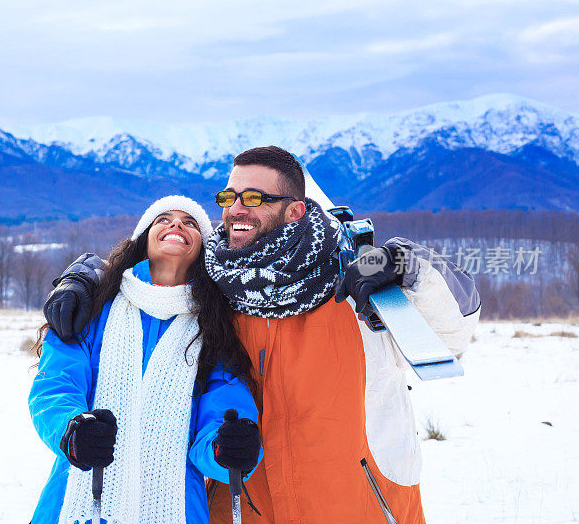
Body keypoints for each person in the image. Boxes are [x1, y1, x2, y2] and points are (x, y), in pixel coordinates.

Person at [45, 148, 481, 524]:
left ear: (296, 210)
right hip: (247, 510)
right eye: (228, 197)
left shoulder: (354, 282)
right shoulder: (215, 294)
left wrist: (411, 266)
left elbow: (453, 333)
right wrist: (83, 276)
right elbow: (149, 276)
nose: (236, 208)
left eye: (253, 197)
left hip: (358, 505)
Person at [28, 195, 263, 524]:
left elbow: (223, 409)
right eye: (162, 219)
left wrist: (227, 447)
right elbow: (55, 384)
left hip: (177, 506)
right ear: (143, 240)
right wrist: (72, 431)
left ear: (203, 250)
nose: (176, 224)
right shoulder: (92, 307)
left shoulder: (213, 329)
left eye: (190, 222)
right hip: (76, 501)